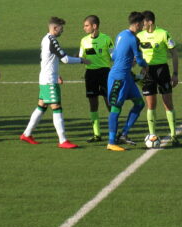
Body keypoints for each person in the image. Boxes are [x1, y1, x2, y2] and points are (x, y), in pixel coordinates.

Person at [20, 17, 90, 149]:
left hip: (47, 78)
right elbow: (65, 59)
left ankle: (27, 134)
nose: (62, 31)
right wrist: (81, 60)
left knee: (42, 106)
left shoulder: (46, 39)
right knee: (56, 107)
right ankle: (63, 140)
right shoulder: (52, 40)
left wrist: (57, 74)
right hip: (48, 81)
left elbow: (49, 60)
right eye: (61, 29)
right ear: (54, 28)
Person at [106, 11, 148, 151]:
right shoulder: (133, 39)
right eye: (142, 24)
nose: (143, 26)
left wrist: (128, 59)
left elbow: (115, 55)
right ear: (137, 24)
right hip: (119, 77)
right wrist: (145, 65)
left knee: (139, 103)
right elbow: (140, 60)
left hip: (127, 77)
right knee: (116, 108)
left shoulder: (121, 34)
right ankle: (111, 142)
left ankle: (124, 133)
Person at [137, 11, 180, 146]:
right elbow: (134, 54)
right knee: (151, 104)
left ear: (150, 22)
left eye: (143, 22)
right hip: (147, 71)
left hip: (162, 70)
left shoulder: (163, 33)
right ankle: (152, 133)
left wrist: (175, 73)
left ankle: (173, 135)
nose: (141, 24)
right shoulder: (139, 36)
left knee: (168, 103)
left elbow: (174, 53)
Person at [79, 15, 114, 143]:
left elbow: (113, 55)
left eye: (86, 25)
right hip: (90, 74)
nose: (84, 28)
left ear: (94, 26)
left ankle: (113, 133)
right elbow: (81, 57)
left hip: (104, 73)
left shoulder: (106, 39)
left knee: (109, 103)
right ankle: (96, 134)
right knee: (93, 104)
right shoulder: (83, 41)